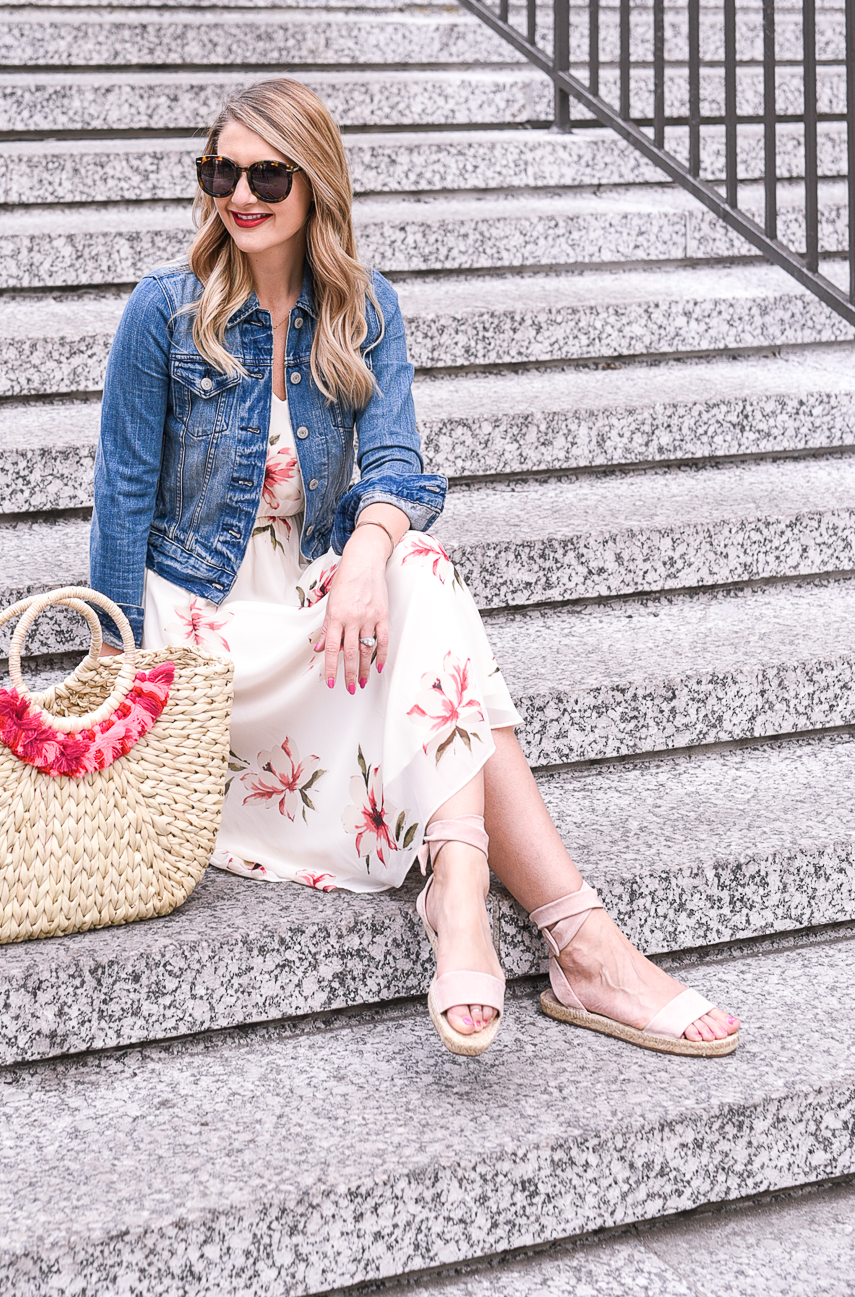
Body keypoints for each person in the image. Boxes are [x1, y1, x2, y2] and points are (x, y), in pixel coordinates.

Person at [90, 77, 740, 1058]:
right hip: (205, 630)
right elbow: (121, 494)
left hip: (314, 605)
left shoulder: (365, 307)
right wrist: (114, 670)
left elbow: (397, 466)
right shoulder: (165, 313)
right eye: (222, 169)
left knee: (416, 569)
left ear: (315, 187)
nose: (242, 193)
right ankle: (571, 936)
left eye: (269, 172)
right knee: (445, 644)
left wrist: (364, 554)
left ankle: (473, 890)